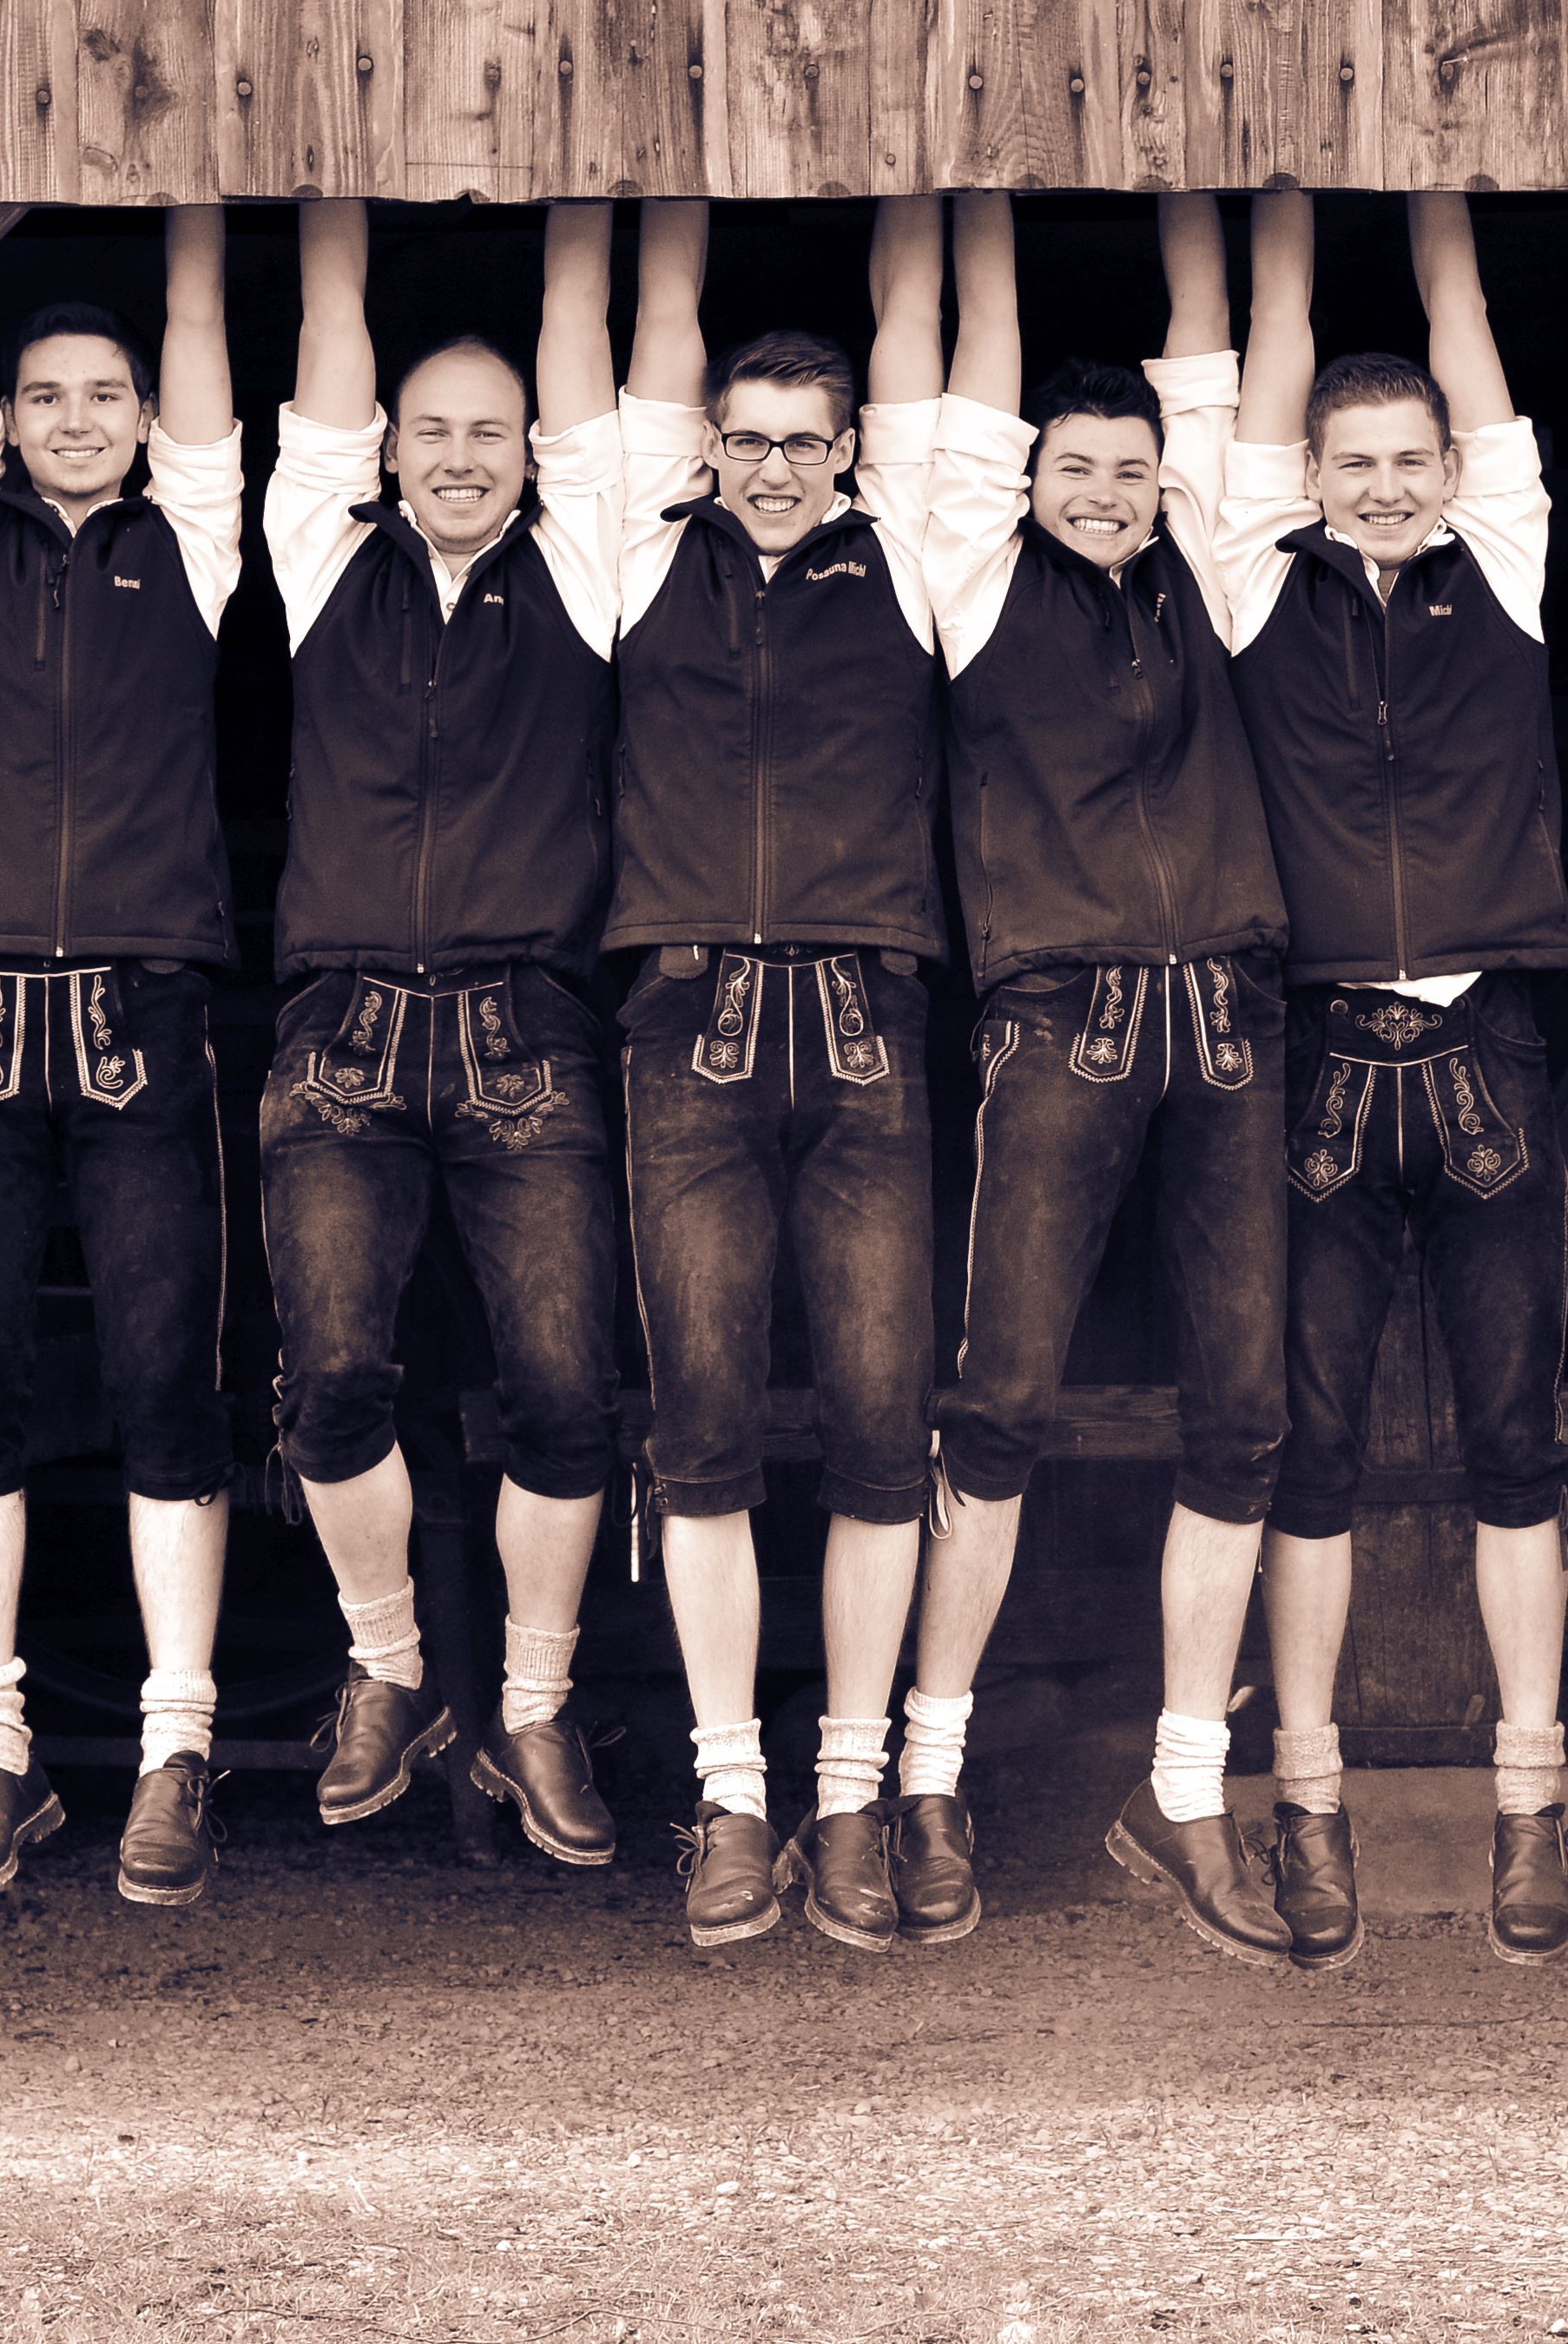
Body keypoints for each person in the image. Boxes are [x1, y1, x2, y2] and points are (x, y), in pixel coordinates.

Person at [895, 190, 1295, 1967]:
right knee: (998, 1401)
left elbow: (1208, 366)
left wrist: (1206, 185)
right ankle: (928, 1774)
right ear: (1029, 476)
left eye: (1132, 467)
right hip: (1061, 1019)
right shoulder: (974, 578)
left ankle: (1186, 1788)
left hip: (1227, 1024)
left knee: (1245, 1413)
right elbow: (977, 395)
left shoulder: (1211, 569)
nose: (1109, 489)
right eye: (1076, 465)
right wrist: (981, 179)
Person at [1216, 189, 1568, 1968]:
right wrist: (1292, 185)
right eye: (1350, 462)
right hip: (1319, 1060)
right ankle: (1309, 1799)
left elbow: (1471, 335)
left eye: (1409, 459)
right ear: (1306, 473)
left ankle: (1532, 1796)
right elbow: (1271, 341)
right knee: (1312, 1451)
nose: (1382, 486)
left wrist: (1431, 178)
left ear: (1452, 469)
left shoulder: (1498, 557)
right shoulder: (1250, 577)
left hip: (1486, 1048)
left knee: (1519, 1443)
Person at [265, 200, 632, 1867]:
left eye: (492, 431)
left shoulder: (583, 565)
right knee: (333, 1375)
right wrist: (330, 164)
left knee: (562, 1386)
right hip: (340, 1027)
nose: (462, 455)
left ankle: (534, 1710)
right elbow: (327, 327)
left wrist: (586, 185)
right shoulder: (319, 556)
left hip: (524, 1029)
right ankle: (392, 1666)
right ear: (389, 450)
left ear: (531, 454)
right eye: (432, 430)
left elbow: (583, 336)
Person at [607, 201, 949, 1949]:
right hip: (691, 1026)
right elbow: (646, 328)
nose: (772, 470)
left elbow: (942, 347)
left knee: (885, 1428)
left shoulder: (917, 559)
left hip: (869, 1024)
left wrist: (931, 184)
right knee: (706, 1432)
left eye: (805, 443)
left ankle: (851, 1791)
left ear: (850, 449)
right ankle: (733, 1793)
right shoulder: (635, 553)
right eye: (745, 440)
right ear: (709, 444)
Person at [0, 211, 242, 1909]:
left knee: (165, 1381)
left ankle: (176, 1747)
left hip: (143, 1012)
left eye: (107, 393)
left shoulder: (195, 539)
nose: (78, 417)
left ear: (149, 414)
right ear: (7, 419)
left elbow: (201, 323)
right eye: (45, 396)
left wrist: (193, 206)